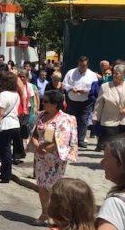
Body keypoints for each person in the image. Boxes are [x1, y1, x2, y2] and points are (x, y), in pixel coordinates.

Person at [30, 89, 79, 224]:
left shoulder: (65, 119)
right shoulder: (40, 115)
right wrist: (37, 146)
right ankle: (45, 213)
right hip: (41, 157)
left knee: (52, 187)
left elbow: (64, 139)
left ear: (55, 104)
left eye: (46, 101)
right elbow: (34, 134)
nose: (43, 103)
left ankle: (57, 215)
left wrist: (46, 149)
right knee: (41, 185)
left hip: (55, 158)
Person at [93, 64, 125, 151]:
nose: (114, 75)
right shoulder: (105, 87)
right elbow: (99, 103)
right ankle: (109, 162)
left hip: (124, 121)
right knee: (110, 146)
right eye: (114, 73)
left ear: (124, 75)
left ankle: (120, 163)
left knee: (122, 146)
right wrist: (95, 116)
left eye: (117, 73)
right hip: (109, 120)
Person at [0, 70, 21, 183]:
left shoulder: (4, 94)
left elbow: (0, 113)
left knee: (5, 152)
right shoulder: (16, 94)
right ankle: (5, 174)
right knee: (7, 150)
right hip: (14, 124)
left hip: (5, 125)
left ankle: (5, 176)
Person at [63, 56, 97, 149]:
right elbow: (64, 84)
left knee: (83, 120)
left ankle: (81, 140)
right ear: (78, 64)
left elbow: (95, 88)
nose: (82, 67)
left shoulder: (92, 75)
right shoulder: (70, 72)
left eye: (84, 65)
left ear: (87, 65)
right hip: (72, 100)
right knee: (71, 120)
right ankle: (70, 139)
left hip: (86, 101)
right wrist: (70, 88)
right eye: (81, 65)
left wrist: (87, 91)